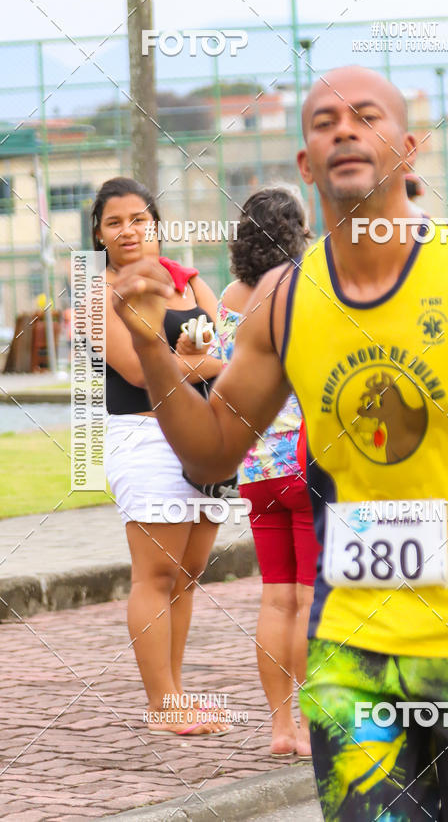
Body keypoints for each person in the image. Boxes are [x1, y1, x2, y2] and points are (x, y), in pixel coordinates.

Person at [109, 68, 448, 819]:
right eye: (324, 121)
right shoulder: (285, 299)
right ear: (306, 164)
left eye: (365, 117)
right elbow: (209, 457)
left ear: (407, 150)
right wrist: (150, 348)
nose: (343, 128)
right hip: (351, 648)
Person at [96, 176, 229, 736]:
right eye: (113, 222)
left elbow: (228, 356)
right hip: (143, 439)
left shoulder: (191, 280)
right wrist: (186, 363)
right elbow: (133, 370)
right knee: (156, 572)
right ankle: (162, 704)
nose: (128, 230)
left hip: (204, 436)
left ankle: (175, 694)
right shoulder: (94, 288)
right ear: (99, 235)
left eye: (137, 219)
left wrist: (173, 363)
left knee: (188, 572)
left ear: (156, 224)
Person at [213, 185, 320, 758]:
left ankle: (281, 729)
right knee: (307, 600)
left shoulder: (231, 295)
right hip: (304, 459)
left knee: (274, 598)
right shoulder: (306, 289)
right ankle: (311, 725)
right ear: (295, 232)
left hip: (254, 465)